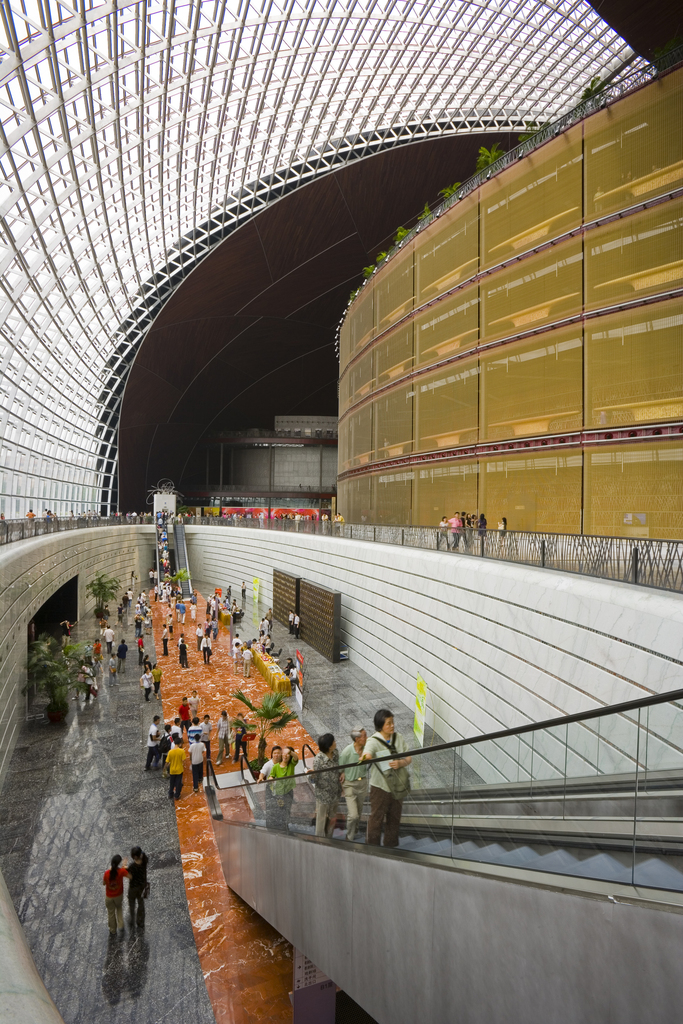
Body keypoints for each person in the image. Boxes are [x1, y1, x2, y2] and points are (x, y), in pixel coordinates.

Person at [362, 709, 411, 848]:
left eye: (392, 722)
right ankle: (372, 847)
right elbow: (367, 753)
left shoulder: (398, 738)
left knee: (394, 818)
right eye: (388, 723)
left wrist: (401, 763)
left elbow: (409, 757)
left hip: (397, 786)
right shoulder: (374, 741)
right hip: (380, 788)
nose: (392, 726)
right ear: (380, 725)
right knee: (376, 818)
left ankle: (391, 846)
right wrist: (366, 757)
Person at [310, 734, 342, 838]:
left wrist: (342, 773)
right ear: (329, 746)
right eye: (333, 741)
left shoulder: (336, 753)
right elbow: (313, 779)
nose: (335, 743)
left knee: (332, 819)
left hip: (335, 793)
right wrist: (312, 774)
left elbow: (340, 767)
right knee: (321, 820)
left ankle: (329, 840)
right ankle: (320, 842)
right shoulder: (318, 759)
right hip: (323, 795)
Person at [339, 727, 368, 841]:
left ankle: (354, 830)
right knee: (353, 815)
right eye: (364, 736)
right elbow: (340, 767)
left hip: (362, 783)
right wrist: (342, 773)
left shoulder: (366, 749)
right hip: (350, 785)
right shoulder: (347, 751)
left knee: (359, 812)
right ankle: (349, 837)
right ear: (357, 739)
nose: (367, 738)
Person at [267, 747, 297, 831]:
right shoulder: (276, 766)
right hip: (279, 793)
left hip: (289, 791)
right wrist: (271, 778)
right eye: (284, 754)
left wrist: (290, 752)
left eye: (288, 754)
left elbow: (296, 758)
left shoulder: (291, 764)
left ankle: (285, 825)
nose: (285, 756)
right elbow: (271, 775)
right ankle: (280, 826)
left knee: (288, 809)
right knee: (280, 809)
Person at [103, 854, 130, 935]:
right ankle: (121, 925)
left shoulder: (107, 873)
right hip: (118, 895)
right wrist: (124, 866)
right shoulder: (121, 872)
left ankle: (112, 930)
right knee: (119, 908)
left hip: (109, 897)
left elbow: (104, 883)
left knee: (111, 913)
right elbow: (130, 876)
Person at [127, 847, 148, 928]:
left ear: (134, 857)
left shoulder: (132, 866)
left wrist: (124, 867)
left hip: (133, 888)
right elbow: (143, 854)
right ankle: (140, 921)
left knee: (132, 904)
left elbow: (130, 876)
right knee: (141, 903)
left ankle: (132, 920)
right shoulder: (144, 861)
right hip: (142, 886)